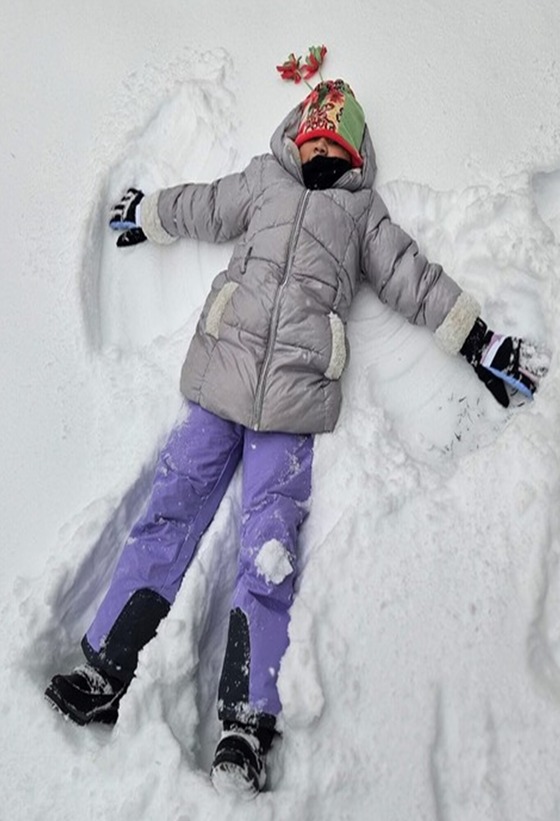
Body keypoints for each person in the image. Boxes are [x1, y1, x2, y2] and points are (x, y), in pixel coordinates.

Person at [44, 78, 545, 799]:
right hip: (219, 383)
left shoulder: (362, 214)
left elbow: (414, 279)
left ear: (352, 148)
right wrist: (149, 212)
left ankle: (246, 723)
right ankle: (104, 669)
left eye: (332, 138)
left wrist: (480, 342)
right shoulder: (261, 182)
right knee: (168, 516)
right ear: (293, 132)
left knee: (269, 554)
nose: (317, 145)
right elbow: (203, 205)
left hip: (293, 405)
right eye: (311, 132)